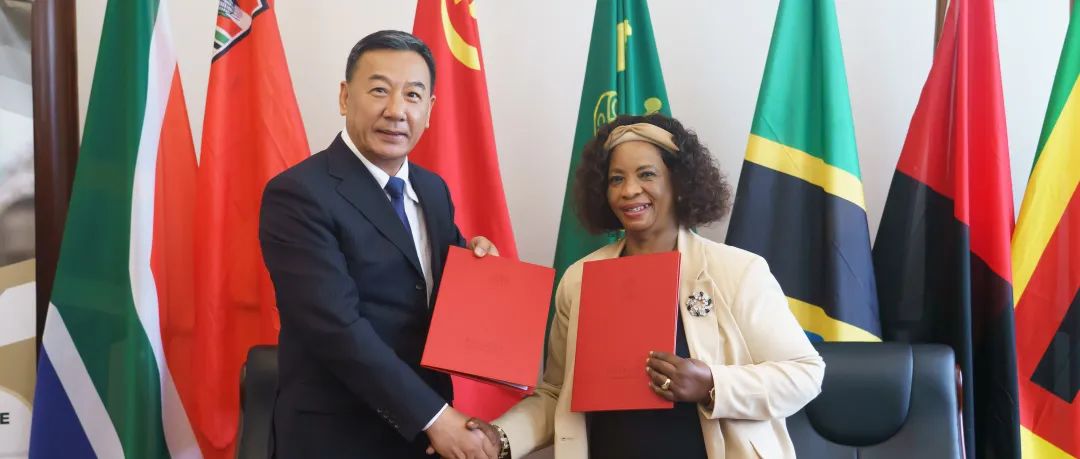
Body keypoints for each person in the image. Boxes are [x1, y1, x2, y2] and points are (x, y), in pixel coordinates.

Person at [469, 114, 825, 458]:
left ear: (679, 183)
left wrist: (711, 384)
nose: (629, 190)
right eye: (616, 179)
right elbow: (557, 395)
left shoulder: (738, 271)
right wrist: (501, 437)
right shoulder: (579, 279)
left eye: (646, 174)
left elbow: (805, 373)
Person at [260, 30, 499, 459]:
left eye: (412, 95)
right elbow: (336, 328)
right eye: (379, 91)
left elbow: (434, 299)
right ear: (344, 97)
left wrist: (481, 270)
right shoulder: (298, 194)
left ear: (430, 109)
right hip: (337, 439)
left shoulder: (433, 190)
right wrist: (435, 418)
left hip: (424, 439)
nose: (396, 111)